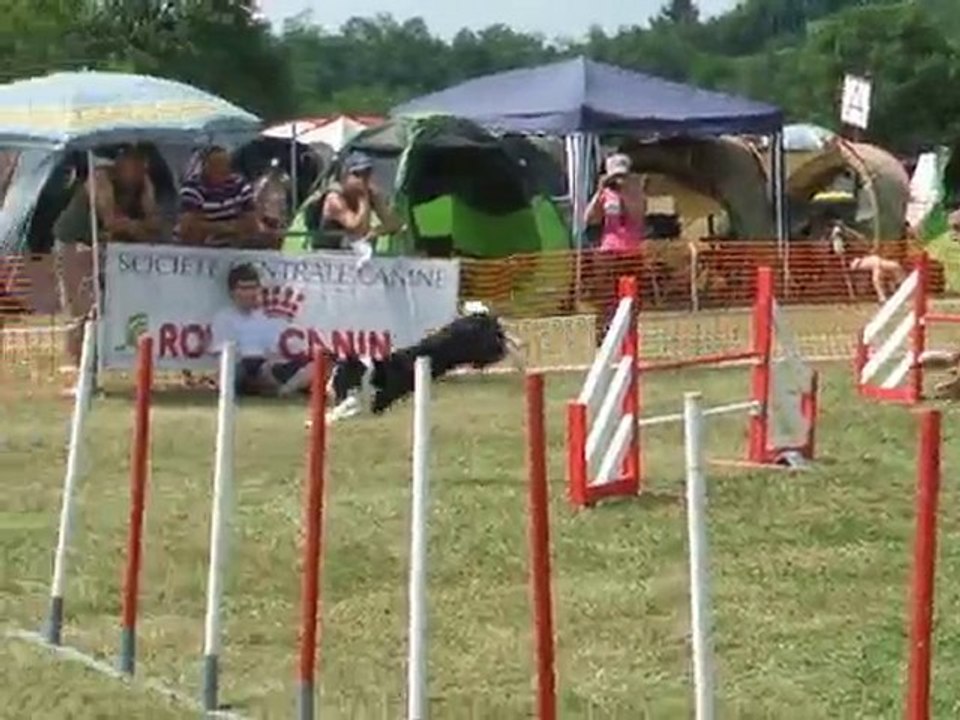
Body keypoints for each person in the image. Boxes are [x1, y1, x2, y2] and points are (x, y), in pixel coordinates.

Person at [208, 263, 315, 397]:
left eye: (253, 287)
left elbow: (277, 351)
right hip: (242, 366)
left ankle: (284, 390)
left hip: (269, 366)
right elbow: (222, 354)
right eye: (244, 288)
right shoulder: (223, 318)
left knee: (318, 363)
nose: (250, 293)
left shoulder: (270, 315)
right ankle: (284, 388)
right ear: (232, 292)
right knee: (237, 373)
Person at [583, 153, 648, 337]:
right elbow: (589, 219)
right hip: (608, 253)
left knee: (631, 299)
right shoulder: (605, 194)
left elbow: (637, 216)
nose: (618, 180)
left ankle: (629, 335)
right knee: (605, 298)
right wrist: (599, 192)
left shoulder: (637, 193)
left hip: (631, 252)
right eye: (615, 176)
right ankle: (603, 335)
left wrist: (625, 193)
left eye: (622, 176)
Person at [315, 151, 404, 264]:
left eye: (367, 174)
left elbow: (394, 223)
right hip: (327, 258)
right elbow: (358, 229)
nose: (363, 179)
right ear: (345, 176)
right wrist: (362, 198)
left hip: (355, 257)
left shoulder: (370, 193)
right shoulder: (334, 199)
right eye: (357, 174)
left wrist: (377, 231)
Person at [176, 146, 265, 248]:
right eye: (216, 166)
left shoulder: (240, 184)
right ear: (205, 167)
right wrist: (229, 227)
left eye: (225, 166)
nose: (222, 170)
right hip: (200, 247)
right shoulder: (192, 188)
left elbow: (251, 224)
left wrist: (212, 227)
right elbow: (189, 228)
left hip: (233, 246)